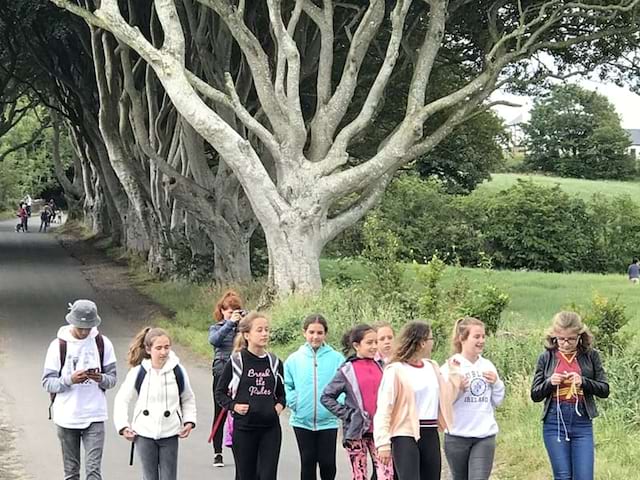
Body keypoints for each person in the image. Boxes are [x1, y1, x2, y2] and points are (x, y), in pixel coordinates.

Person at [374, 321, 461, 480]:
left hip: (430, 431)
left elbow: (445, 398)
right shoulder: (396, 370)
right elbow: (384, 408)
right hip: (404, 434)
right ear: (422, 343)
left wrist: (455, 376)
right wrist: (383, 443)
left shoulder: (432, 366)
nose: (432, 343)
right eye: (430, 339)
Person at [42, 299, 118, 480]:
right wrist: (70, 380)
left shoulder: (103, 343)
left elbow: (112, 379)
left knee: (93, 471)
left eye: (88, 328)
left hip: (95, 415)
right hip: (67, 417)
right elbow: (47, 382)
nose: (84, 332)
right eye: (80, 328)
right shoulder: (58, 345)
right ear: (71, 322)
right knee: (71, 472)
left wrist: (100, 378)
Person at [531, 311, 609, 480]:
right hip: (554, 421)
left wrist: (584, 381)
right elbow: (535, 394)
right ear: (554, 337)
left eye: (571, 339)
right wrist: (550, 382)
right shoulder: (546, 358)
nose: (565, 344)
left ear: (580, 336)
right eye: (561, 339)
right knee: (563, 476)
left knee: (584, 476)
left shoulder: (591, 356)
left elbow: (604, 390)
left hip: (582, 421)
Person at [114, 327, 196, 480]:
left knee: (169, 477)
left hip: (170, 433)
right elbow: (121, 400)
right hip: (144, 433)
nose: (163, 352)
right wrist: (123, 426)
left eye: (167, 347)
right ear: (148, 349)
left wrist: (189, 421)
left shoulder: (178, 371)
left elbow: (187, 398)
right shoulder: (138, 372)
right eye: (158, 348)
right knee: (149, 477)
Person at [215, 311, 285, 480]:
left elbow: (282, 393)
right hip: (245, 429)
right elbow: (220, 392)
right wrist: (233, 406)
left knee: (268, 476)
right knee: (246, 475)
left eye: (267, 330)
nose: (265, 334)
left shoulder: (274, 362)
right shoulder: (237, 362)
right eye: (259, 330)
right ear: (247, 335)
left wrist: (279, 405)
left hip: (270, 429)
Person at [321, 324, 394, 480]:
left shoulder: (382, 367)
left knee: (386, 474)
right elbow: (326, 397)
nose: (374, 346)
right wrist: (348, 414)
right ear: (356, 345)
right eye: (369, 343)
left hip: (380, 431)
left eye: (376, 342)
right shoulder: (347, 370)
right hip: (356, 432)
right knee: (359, 475)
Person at [441, 317, 505, 480]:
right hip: (457, 436)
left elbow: (497, 401)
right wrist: (457, 388)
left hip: (484, 435)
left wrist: (497, 383)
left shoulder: (488, 365)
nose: (481, 341)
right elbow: (443, 404)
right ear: (462, 338)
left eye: (483, 336)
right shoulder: (450, 366)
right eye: (476, 337)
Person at [284, 314, 345, 480]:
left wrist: (337, 405)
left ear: (325, 333)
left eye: (319, 332)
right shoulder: (294, 359)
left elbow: (346, 386)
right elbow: (286, 384)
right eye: (311, 332)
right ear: (304, 333)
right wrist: (294, 401)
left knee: (328, 464)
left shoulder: (337, 359)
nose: (315, 337)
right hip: (302, 421)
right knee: (308, 462)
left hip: (328, 421)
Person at [208, 290, 244, 467]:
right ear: (222, 311)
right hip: (222, 373)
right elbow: (215, 341)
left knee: (240, 412)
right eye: (229, 311)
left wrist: (242, 324)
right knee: (219, 413)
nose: (232, 314)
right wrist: (229, 323)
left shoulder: (242, 328)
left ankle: (240, 449)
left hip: (240, 374)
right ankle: (217, 452)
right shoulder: (217, 327)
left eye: (235, 311)